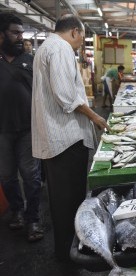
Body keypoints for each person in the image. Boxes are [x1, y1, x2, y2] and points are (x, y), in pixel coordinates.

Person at [31, 14, 110, 261]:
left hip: (57, 140)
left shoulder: (48, 47)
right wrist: (94, 117)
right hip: (66, 139)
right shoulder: (61, 49)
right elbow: (66, 96)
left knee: (62, 202)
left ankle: (65, 252)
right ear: (75, 32)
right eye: (82, 38)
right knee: (70, 203)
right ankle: (69, 256)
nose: (81, 43)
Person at [0, 13, 44, 242]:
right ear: (1, 35)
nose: (20, 37)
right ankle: (17, 210)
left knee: (31, 175)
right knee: (6, 176)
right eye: (15, 33)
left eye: (22, 33)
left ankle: (32, 219)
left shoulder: (29, 60)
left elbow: (41, 93)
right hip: (2, 131)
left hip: (28, 128)